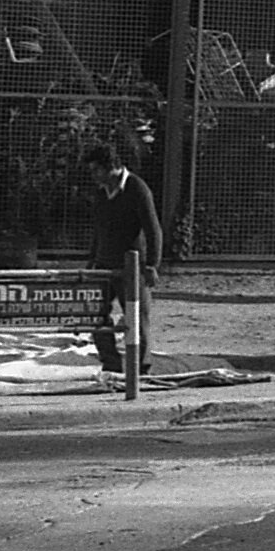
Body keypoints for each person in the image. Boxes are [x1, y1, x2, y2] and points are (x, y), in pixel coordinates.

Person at [83, 146, 164, 378]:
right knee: (95, 313)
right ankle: (111, 363)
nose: (93, 175)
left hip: (131, 266)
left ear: (110, 167)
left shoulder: (136, 188)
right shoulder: (101, 193)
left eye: (97, 170)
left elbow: (153, 229)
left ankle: (141, 369)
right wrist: (92, 260)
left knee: (136, 316)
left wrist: (152, 265)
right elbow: (99, 229)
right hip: (104, 265)